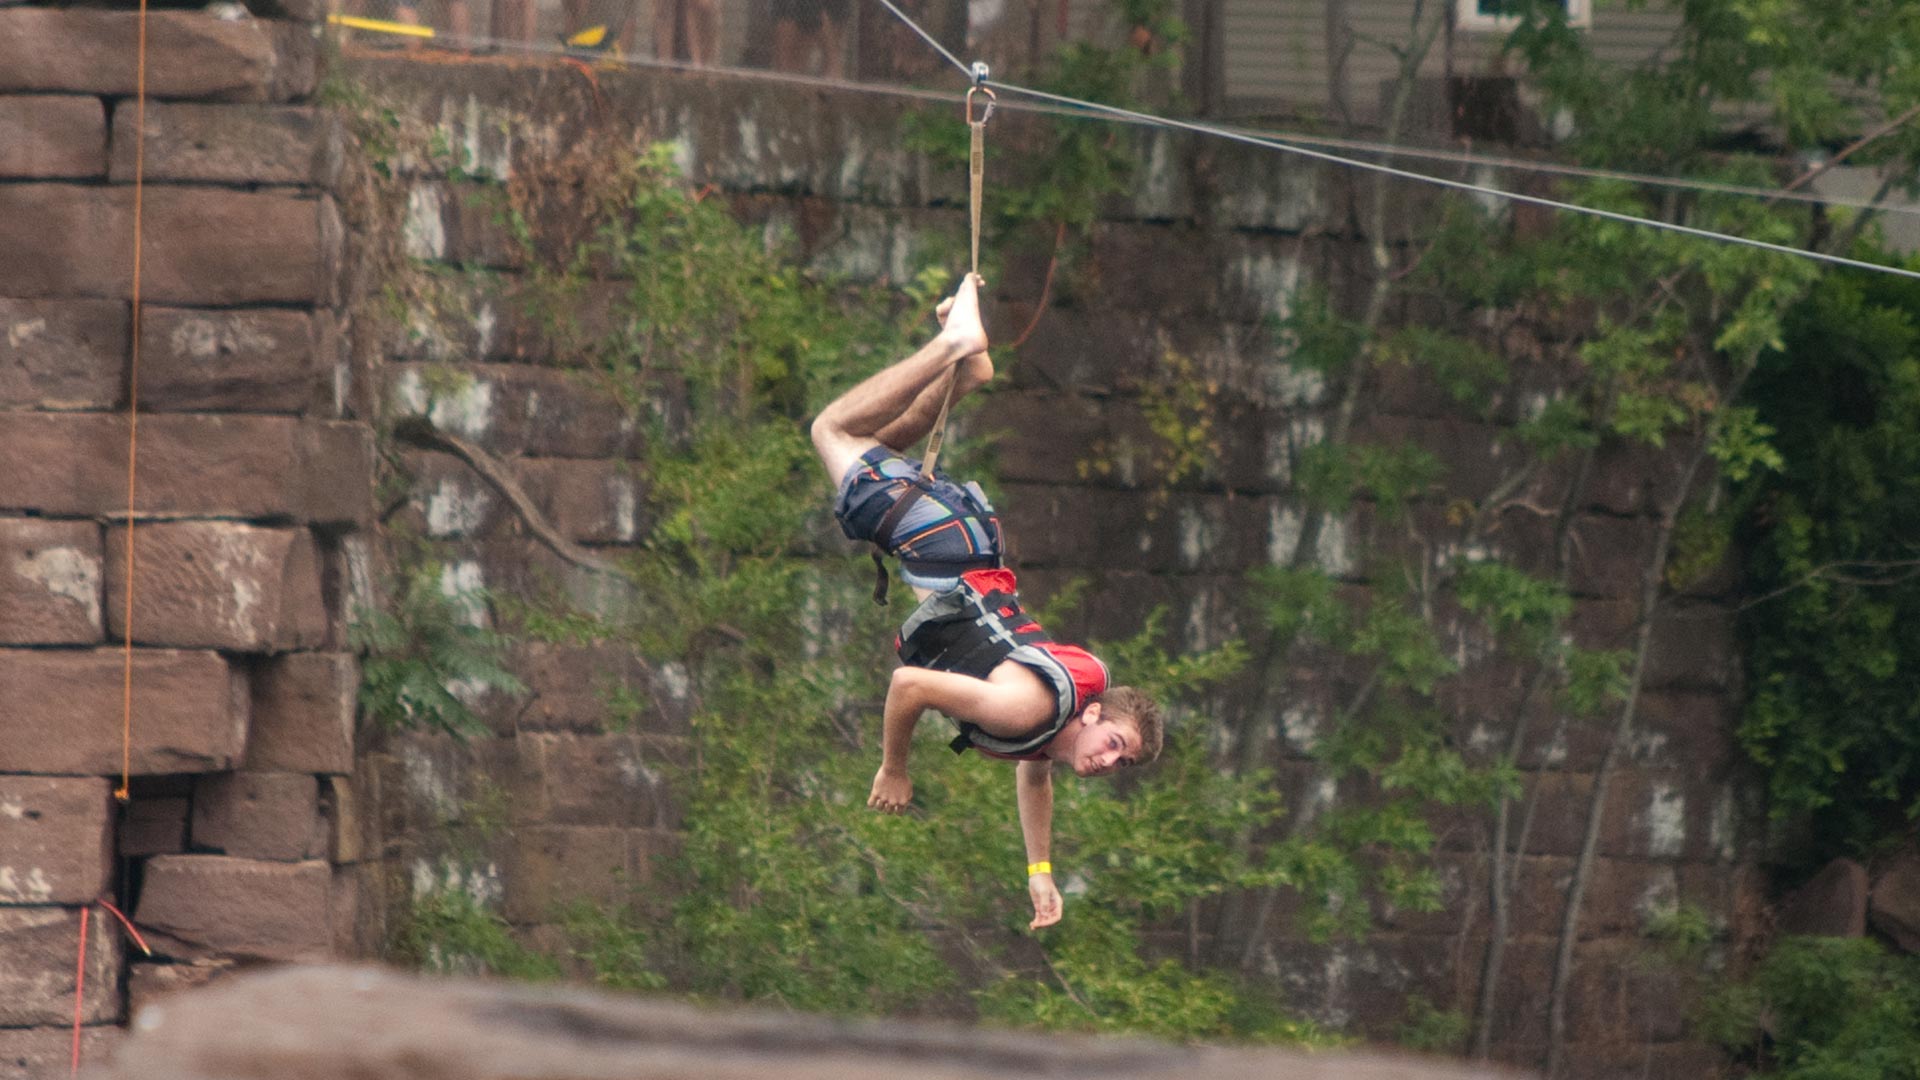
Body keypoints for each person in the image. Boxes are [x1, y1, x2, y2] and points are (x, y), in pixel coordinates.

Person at [809, 273, 1165, 930]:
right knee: (831, 429)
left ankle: (967, 370)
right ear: (1089, 716)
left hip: (967, 543)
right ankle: (954, 346)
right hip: (939, 545)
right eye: (1115, 743)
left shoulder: (1048, 731)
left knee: (882, 441)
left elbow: (1036, 775)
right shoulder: (1023, 706)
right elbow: (909, 686)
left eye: (1122, 762)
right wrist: (895, 769)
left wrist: (1040, 873)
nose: (1109, 762)